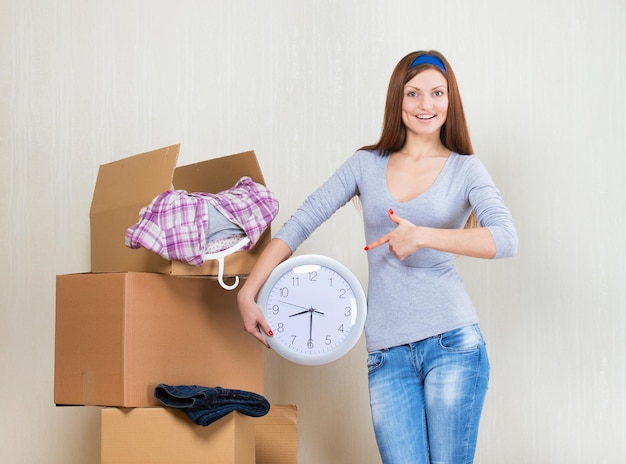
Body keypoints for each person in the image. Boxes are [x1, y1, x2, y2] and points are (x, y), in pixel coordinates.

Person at [237, 50, 518, 464]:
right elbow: (301, 220)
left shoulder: (465, 169)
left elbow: (505, 238)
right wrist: (248, 292)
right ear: (397, 101)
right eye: (414, 94)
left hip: (453, 345)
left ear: (450, 100)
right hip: (387, 354)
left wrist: (421, 236)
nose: (426, 105)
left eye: (437, 93)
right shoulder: (366, 165)